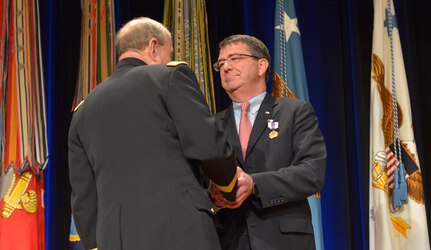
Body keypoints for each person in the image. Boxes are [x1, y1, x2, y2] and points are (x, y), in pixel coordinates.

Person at [68, 17, 239, 250]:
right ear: (153, 47)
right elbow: (209, 145)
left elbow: (83, 197)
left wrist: (98, 244)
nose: (168, 60)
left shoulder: (83, 111)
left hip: (115, 239)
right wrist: (229, 187)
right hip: (179, 231)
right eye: (168, 53)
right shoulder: (168, 77)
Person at [209, 34, 327, 250]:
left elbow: (311, 173)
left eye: (235, 58)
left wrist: (254, 184)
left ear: (261, 65)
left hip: (285, 241)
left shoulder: (295, 112)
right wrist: (216, 197)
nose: (225, 67)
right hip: (230, 240)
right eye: (221, 63)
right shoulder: (212, 124)